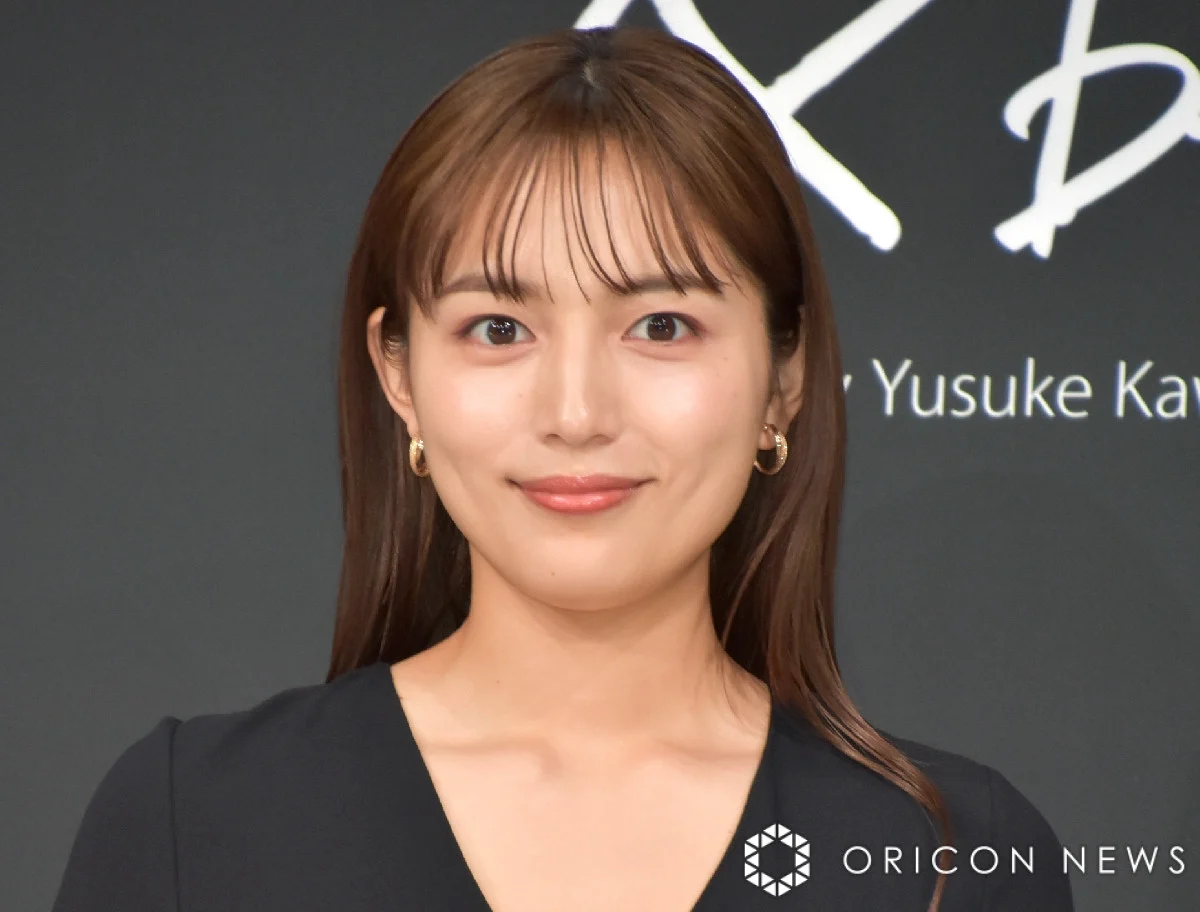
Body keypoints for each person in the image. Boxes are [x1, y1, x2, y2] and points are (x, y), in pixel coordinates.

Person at [51, 25, 1073, 912]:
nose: (576, 414)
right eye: (498, 328)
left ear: (785, 378)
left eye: (661, 325)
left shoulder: (954, 860)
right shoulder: (193, 820)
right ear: (398, 375)